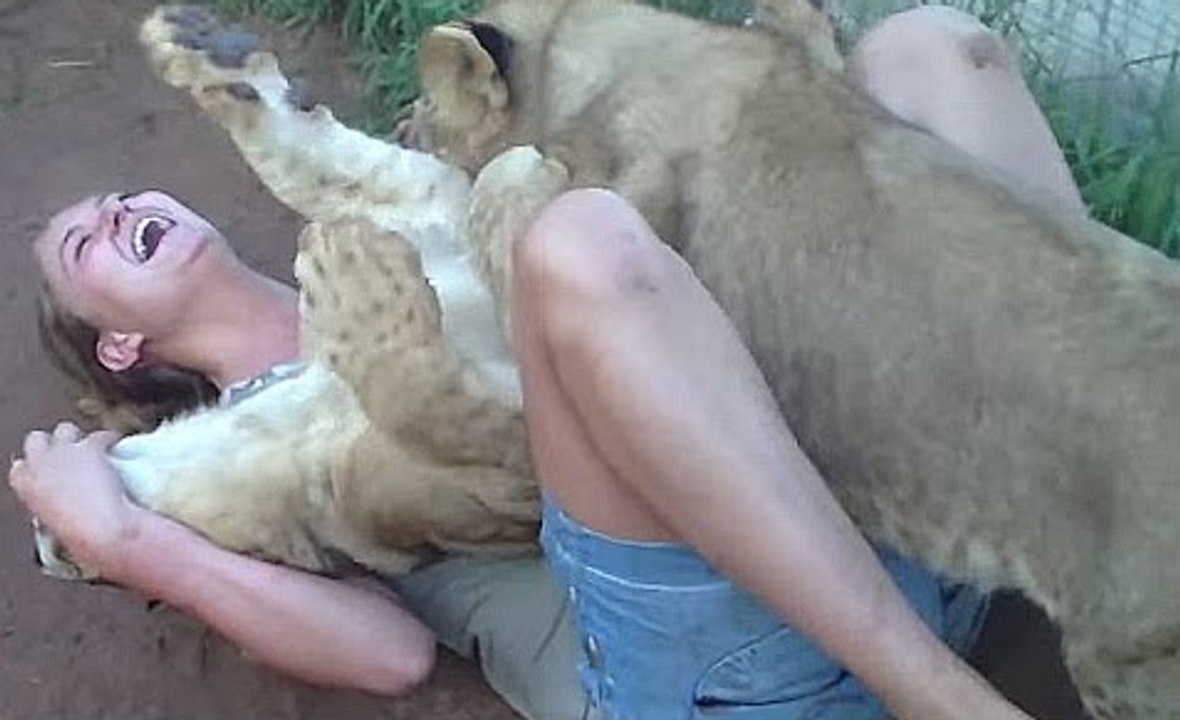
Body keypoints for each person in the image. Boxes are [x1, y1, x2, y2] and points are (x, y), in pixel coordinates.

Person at [9, 7, 1084, 720]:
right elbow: (384, 658)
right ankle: (939, 696)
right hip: (724, 669)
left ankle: (1112, 471)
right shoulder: (217, 476)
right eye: (85, 244)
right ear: (121, 345)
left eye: (120, 201)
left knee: (931, 51)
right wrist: (127, 539)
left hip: (888, 519)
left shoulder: (373, 239)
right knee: (572, 247)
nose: (118, 213)